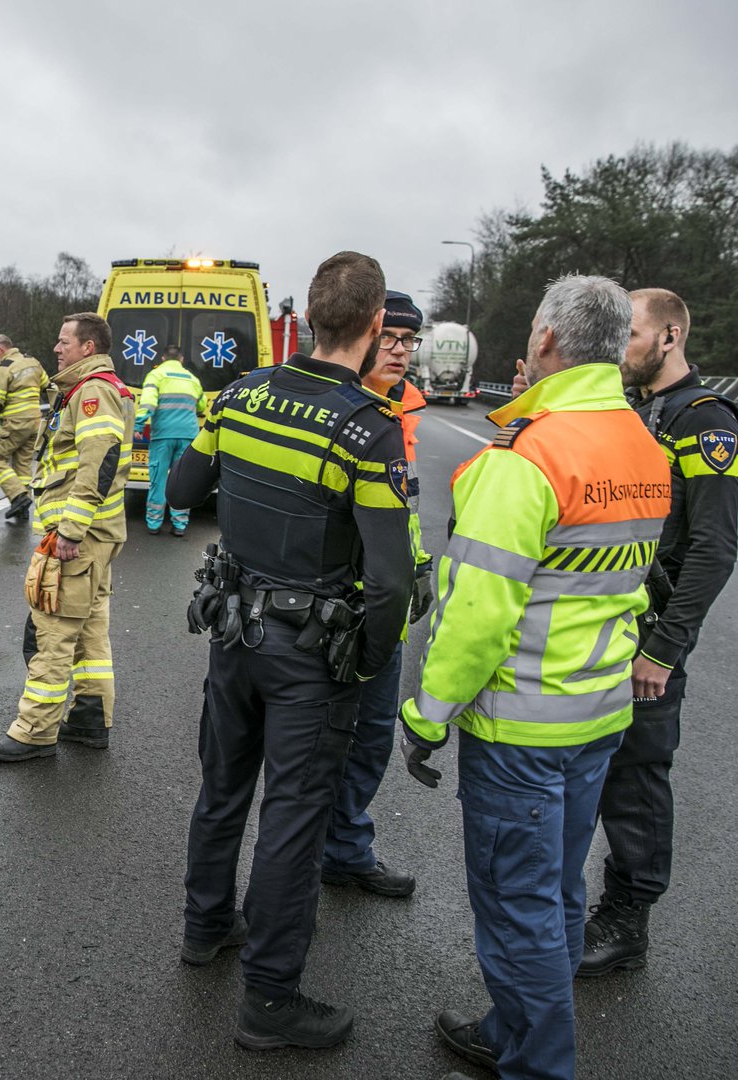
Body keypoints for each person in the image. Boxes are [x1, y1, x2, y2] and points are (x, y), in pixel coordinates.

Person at [398, 275, 671, 1080]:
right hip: (598, 715)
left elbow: (477, 612)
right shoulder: (641, 444)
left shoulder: (528, 457)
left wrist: (426, 713)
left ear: (547, 341)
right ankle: (512, 1032)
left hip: (520, 727)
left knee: (517, 908)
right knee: (553, 893)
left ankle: (536, 1064)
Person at [169, 251, 414, 1051]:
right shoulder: (369, 430)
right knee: (294, 821)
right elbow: (389, 582)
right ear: (376, 327)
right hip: (310, 655)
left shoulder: (238, 396)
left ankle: (205, 928)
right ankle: (270, 1002)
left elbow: (178, 491)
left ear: (309, 317)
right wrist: (371, 663)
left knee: (223, 786)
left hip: (233, 636)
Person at [577, 288, 738, 976]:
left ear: (670, 336)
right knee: (592, 769)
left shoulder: (704, 421)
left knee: (638, 779)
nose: (620, 348)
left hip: (649, 638)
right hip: (605, 627)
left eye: (633, 335)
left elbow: (713, 549)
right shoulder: (636, 411)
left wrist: (665, 651)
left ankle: (627, 922)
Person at [320, 290, 432, 899]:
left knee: (371, 734)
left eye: (409, 342)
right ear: (364, 336)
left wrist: (415, 567)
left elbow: (400, 507)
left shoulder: (403, 410)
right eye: (389, 338)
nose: (399, 352)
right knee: (323, 737)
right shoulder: (338, 404)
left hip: (381, 598)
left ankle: (344, 847)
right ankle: (307, 849)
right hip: (334, 603)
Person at [0, 312, 133, 761]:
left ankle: (35, 731)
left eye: (64, 340)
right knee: (90, 630)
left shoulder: (92, 393)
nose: (56, 347)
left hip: (79, 536)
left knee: (53, 629)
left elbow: (98, 463)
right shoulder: (92, 389)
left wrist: (70, 528)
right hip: (97, 535)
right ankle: (90, 717)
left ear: (88, 347)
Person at [135, 344, 205, 536]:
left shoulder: (156, 375)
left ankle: (154, 524)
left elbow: (148, 402)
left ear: (163, 359)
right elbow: (201, 406)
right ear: (181, 360)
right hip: (188, 435)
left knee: (158, 479)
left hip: (163, 435)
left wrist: (139, 425)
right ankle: (180, 525)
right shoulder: (193, 379)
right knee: (182, 481)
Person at [0, 334, 47, 522]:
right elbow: (46, 384)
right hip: (35, 422)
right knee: (22, 465)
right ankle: (22, 509)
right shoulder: (33, 362)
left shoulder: (3, 369)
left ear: (1, 349)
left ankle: (18, 496)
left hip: (15, 423)